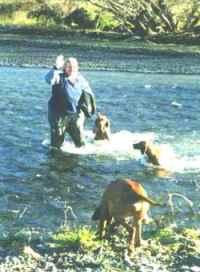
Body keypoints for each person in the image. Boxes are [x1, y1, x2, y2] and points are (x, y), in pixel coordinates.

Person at [45, 56, 96, 148]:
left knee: (81, 144)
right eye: (68, 66)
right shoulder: (59, 77)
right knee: (56, 146)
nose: (71, 68)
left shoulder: (81, 80)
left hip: (75, 115)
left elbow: (89, 94)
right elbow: (48, 80)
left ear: (77, 68)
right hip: (58, 116)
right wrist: (55, 68)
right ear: (64, 68)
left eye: (73, 66)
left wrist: (89, 108)